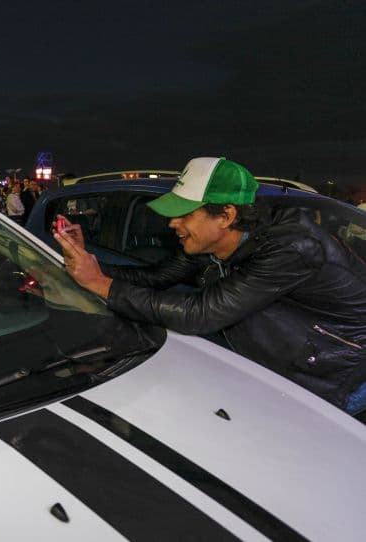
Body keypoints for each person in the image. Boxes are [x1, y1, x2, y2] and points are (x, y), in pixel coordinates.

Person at [55, 157, 366, 414]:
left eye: (184, 214)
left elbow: (201, 314)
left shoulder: (292, 248)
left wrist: (99, 284)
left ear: (226, 215)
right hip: (286, 366)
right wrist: (88, 261)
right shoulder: (212, 244)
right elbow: (155, 278)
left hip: (338, 376)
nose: (172, 223)